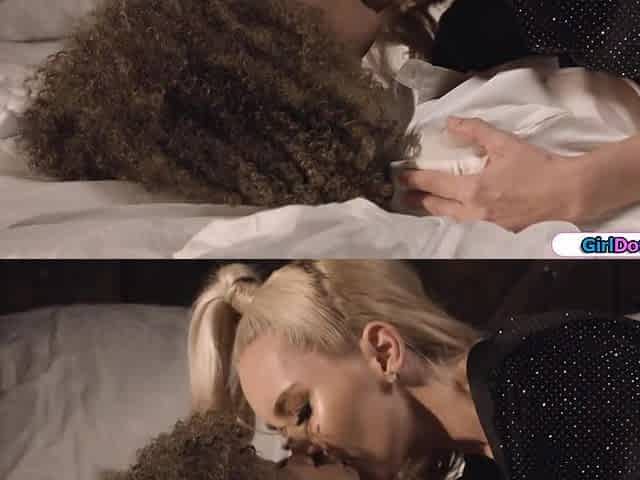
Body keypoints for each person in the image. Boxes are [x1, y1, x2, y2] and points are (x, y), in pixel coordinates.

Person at [187, 260, 640, 480]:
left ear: (384, 352)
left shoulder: (549, 372)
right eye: (286, 441)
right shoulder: (485, 457)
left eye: (302, 412)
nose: (308, 451)